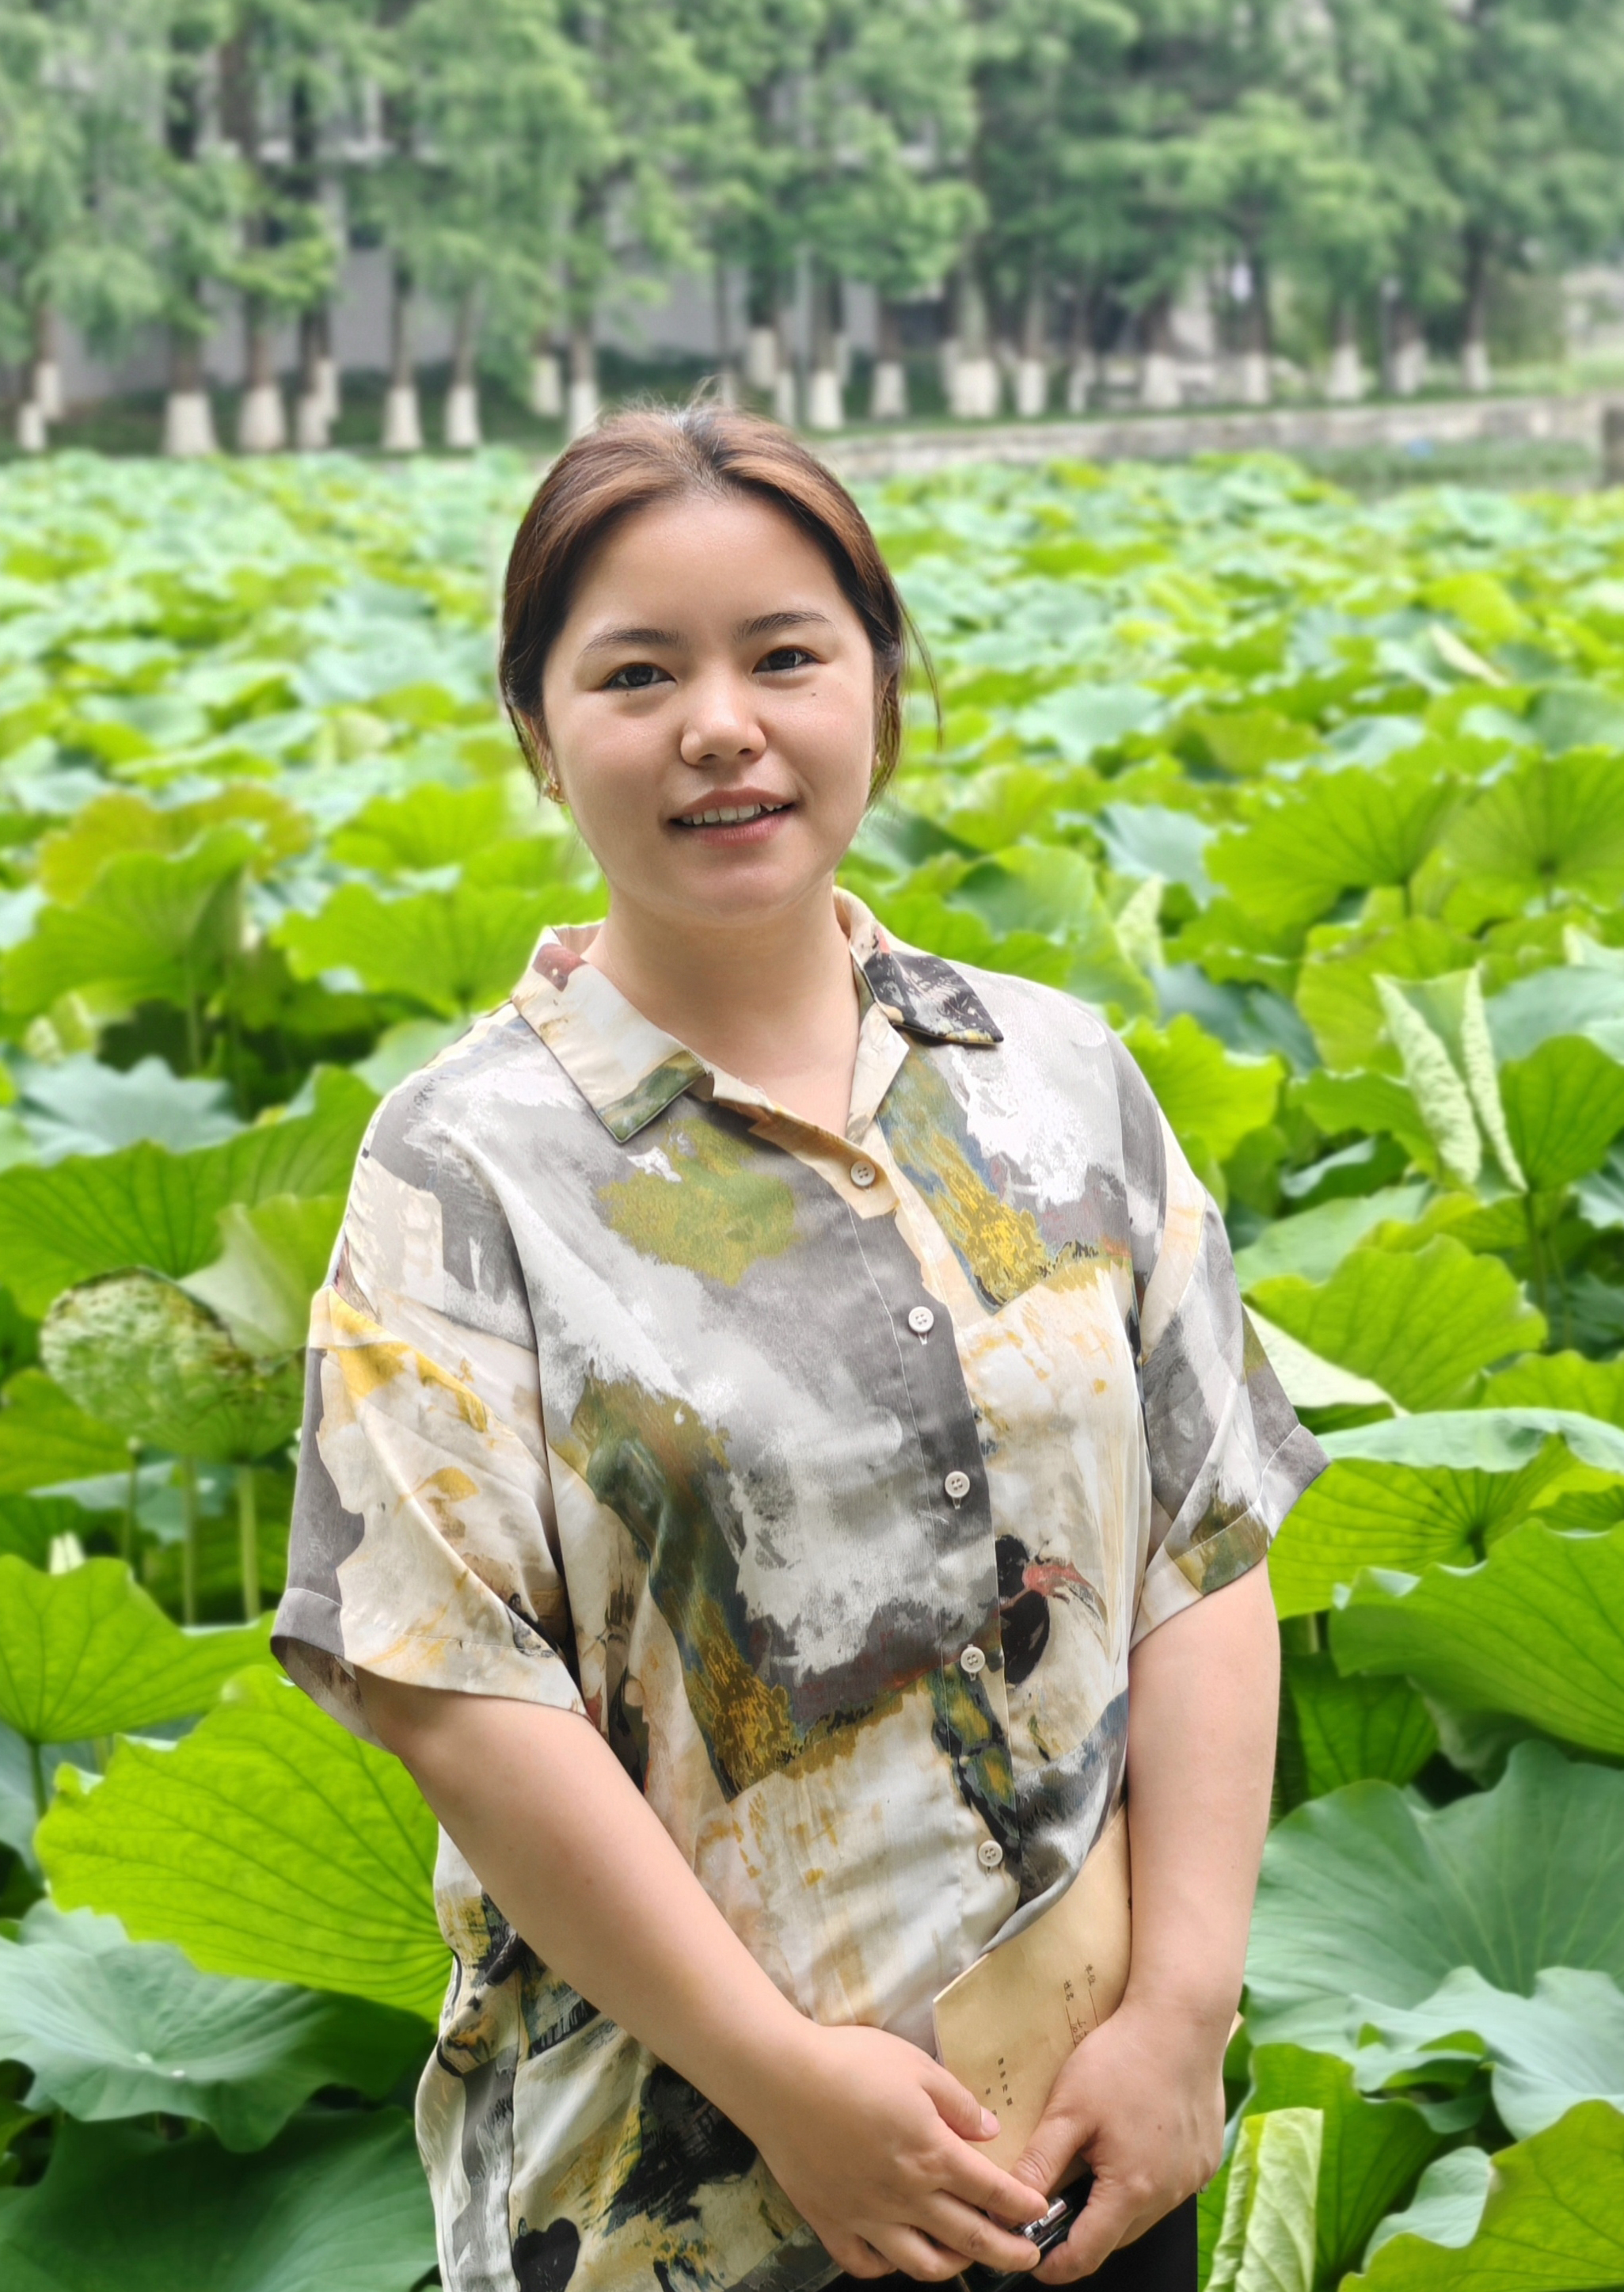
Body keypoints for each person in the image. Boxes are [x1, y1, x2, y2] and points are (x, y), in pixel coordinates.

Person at [272, 404, 1324, 2292]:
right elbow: (456, 1692)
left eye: (784, 656)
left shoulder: (1059, 1078)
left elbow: (1207, 1548)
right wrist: (779, 2078)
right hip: (684, 2205)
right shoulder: (461, 1171)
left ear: (879, 693)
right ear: (539, 734)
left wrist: (1183, 2017)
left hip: (1094, 2157)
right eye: (638, 675)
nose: (720, 727)